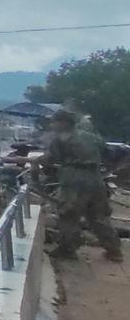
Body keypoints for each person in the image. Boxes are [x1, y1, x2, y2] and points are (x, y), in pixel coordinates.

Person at [38, 109, 123, 261]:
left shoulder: (62, 139)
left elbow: (49, 159)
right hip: (96, 178)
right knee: (99, 216)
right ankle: (114, 250)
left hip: (74, 180)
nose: (52, 125)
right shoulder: (92, 137)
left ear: (63, 123)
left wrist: (31, 161)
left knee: (68, 214)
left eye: (54, 121)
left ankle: (68, 249)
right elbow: (110, 153)